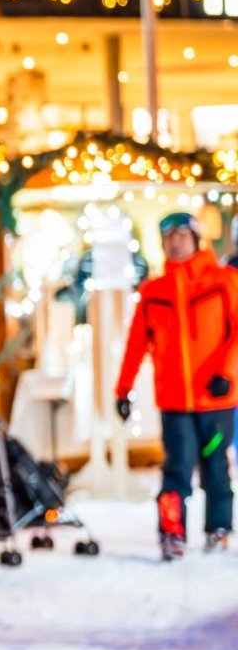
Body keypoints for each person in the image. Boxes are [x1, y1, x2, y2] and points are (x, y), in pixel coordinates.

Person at [115, 211, 238, 558]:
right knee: (176, 469)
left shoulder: (224, 280)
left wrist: (226, 373)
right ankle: (172, 533)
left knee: (215, 466)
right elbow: (135, 343)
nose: (175, 241)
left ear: (197, 239)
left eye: (183, 234)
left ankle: (218, 528)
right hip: (175, 402)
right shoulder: (154, 291)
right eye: (168, 236)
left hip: (216, 398)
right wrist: (122, 390)